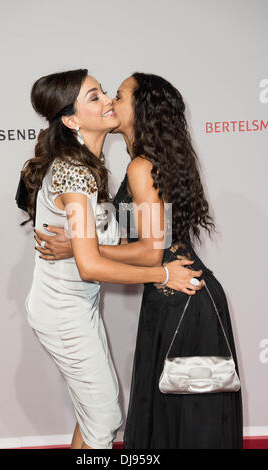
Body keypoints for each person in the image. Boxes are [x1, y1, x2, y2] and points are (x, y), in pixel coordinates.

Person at [31, 72, 243, 449]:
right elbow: (140, 243)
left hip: (182, 294)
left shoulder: (140, 168)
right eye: (101, 96)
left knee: (191, 421)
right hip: (171, 293)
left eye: (119, 96)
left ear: (140, 111)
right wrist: (85, 245)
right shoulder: (135, 165)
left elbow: (149, 250)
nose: (111, 101)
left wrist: (80, 248)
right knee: (155, 415)